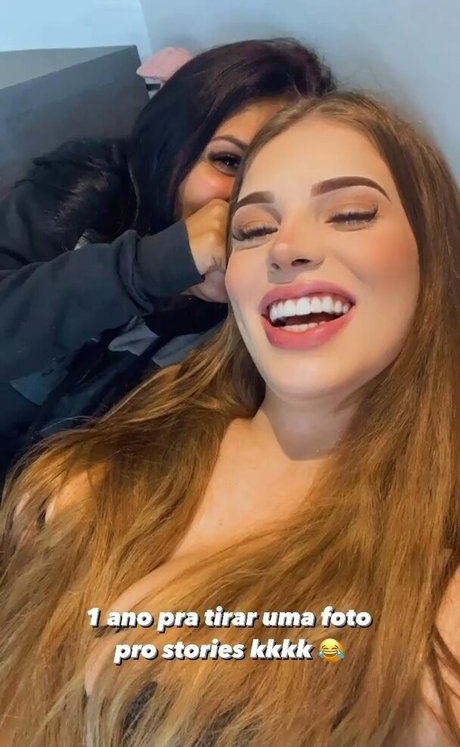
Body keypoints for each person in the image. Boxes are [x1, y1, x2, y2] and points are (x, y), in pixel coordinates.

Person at [1, 91, 460, 747]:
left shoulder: (436, 614)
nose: (285, 248)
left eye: (350, 213)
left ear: (433, 255)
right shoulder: (79, 487)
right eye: (252, 229)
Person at [0, 38, 335, 487]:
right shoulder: (82, 194)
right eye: (228, 161)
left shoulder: (253, 318)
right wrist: (152, 267)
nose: (244, 203)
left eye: (275, 178)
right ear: (170, 146)